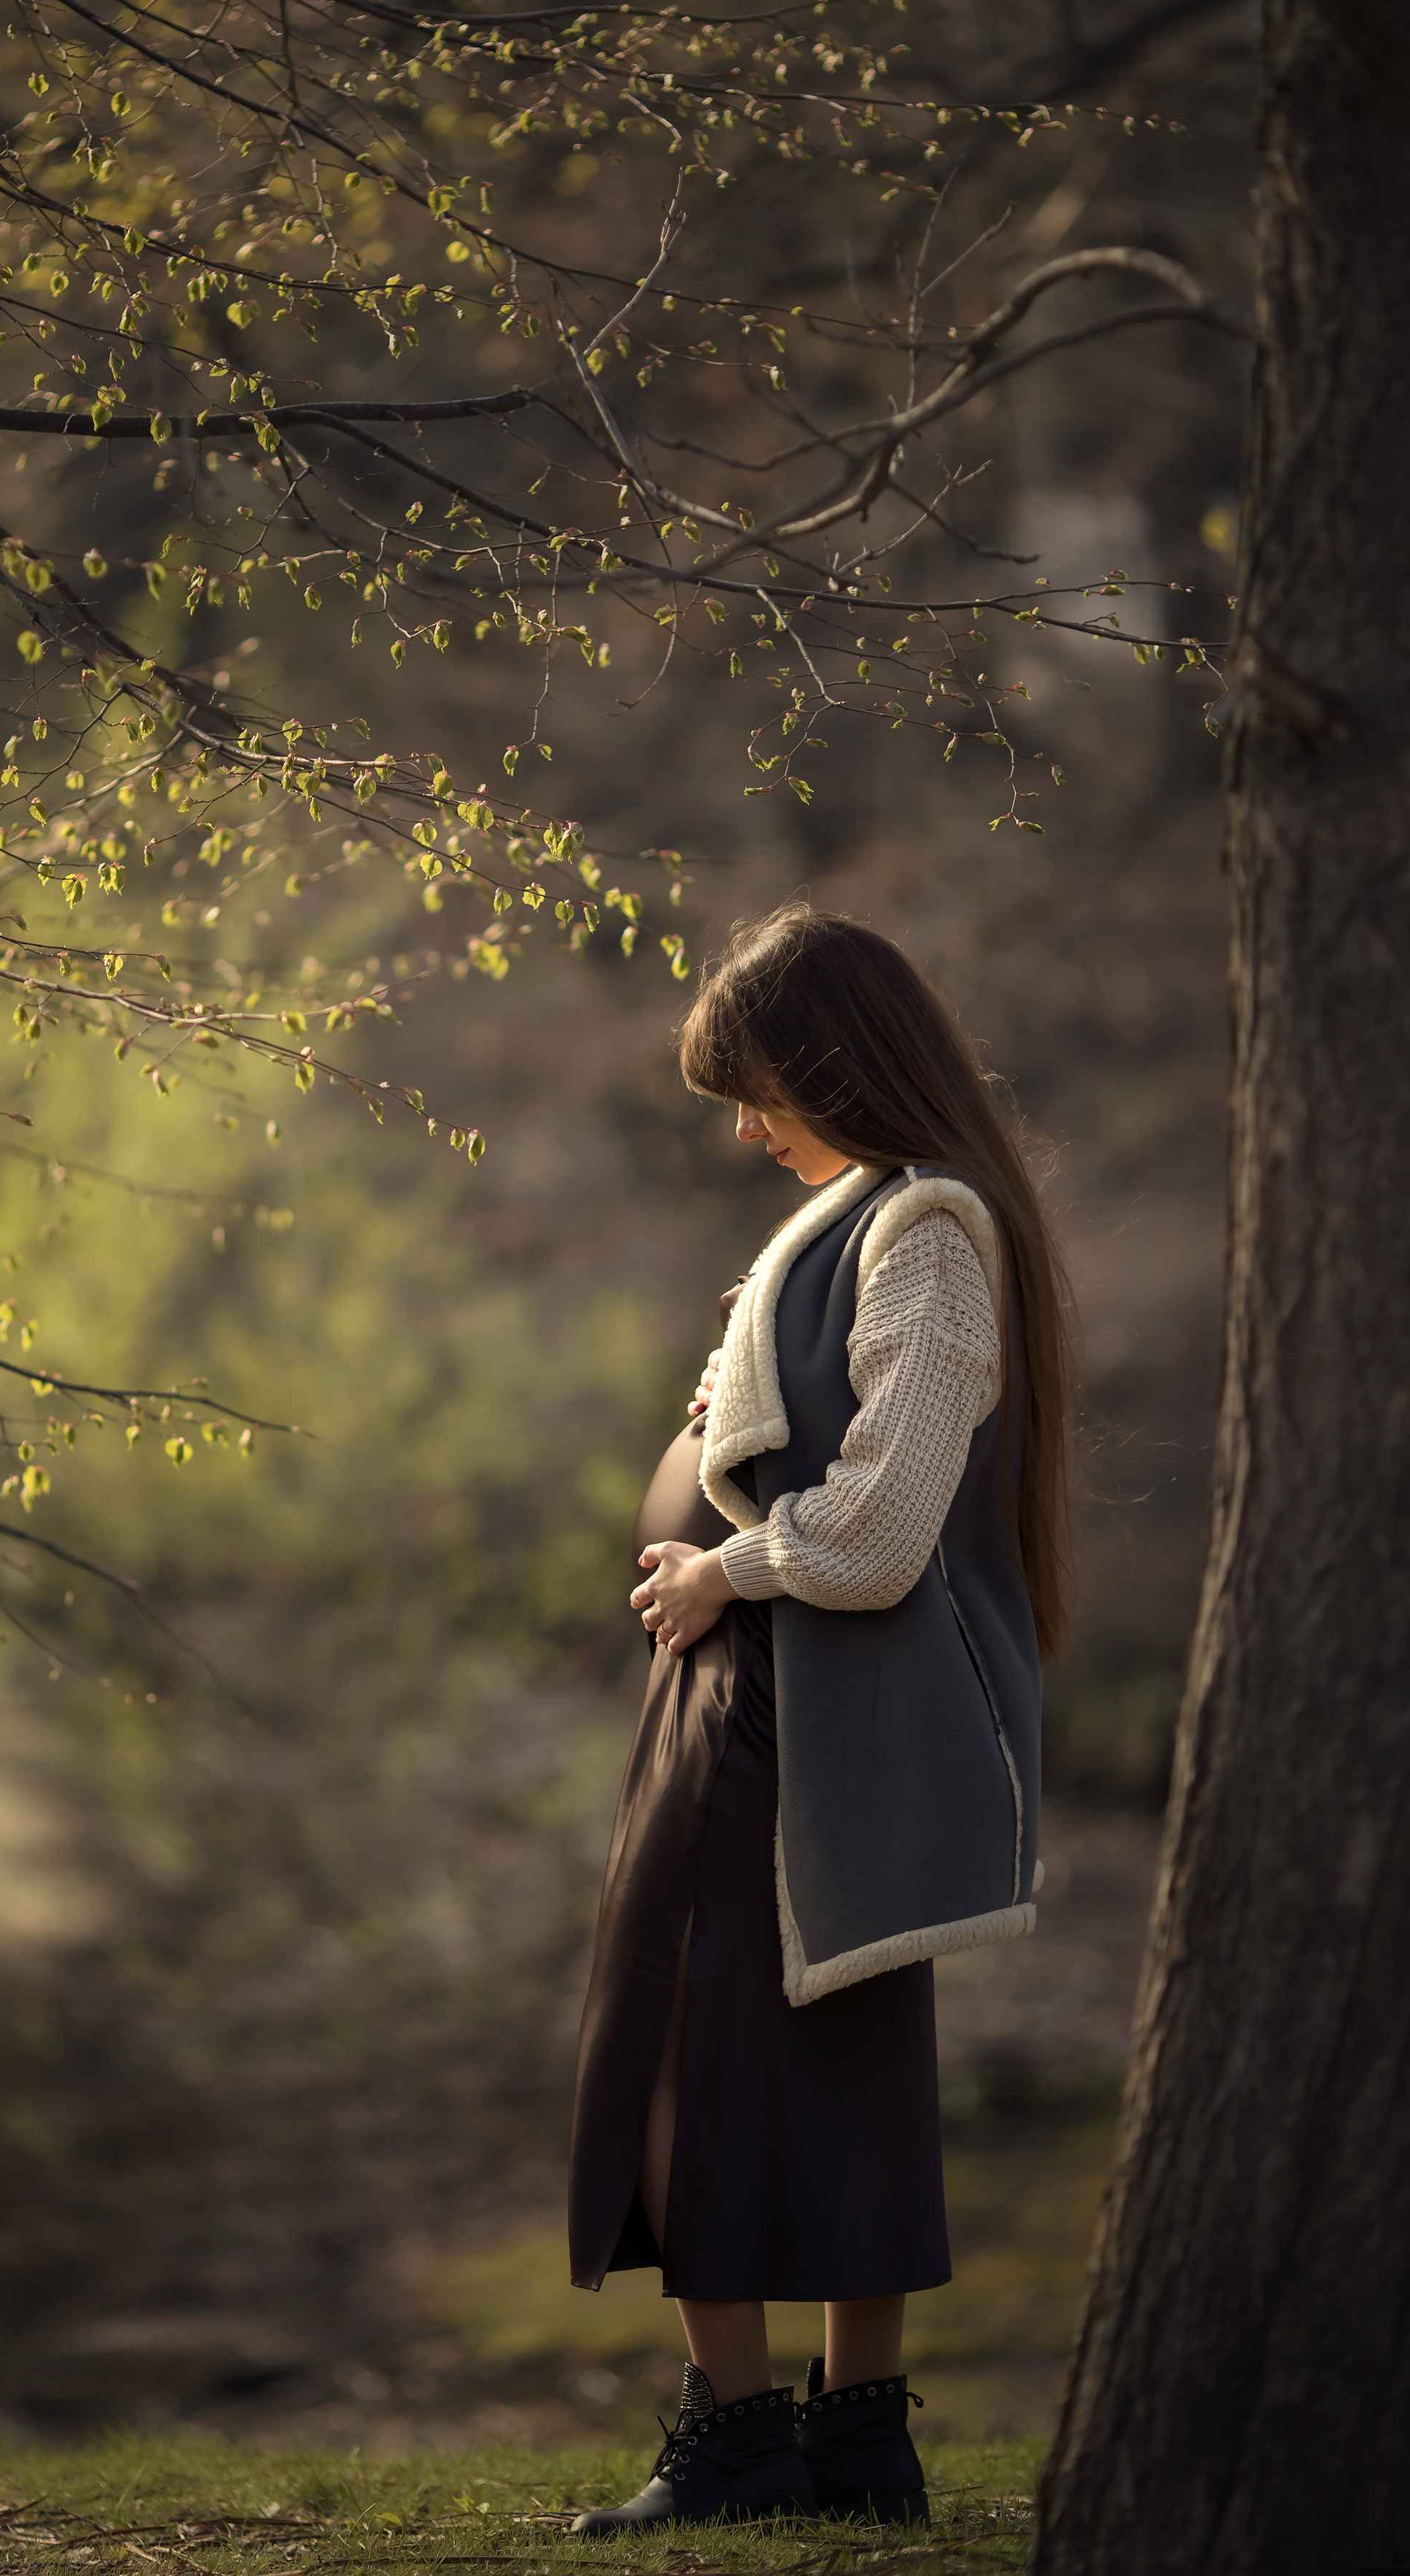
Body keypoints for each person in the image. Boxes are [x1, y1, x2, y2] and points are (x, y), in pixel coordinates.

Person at [566, 903, 1074, 2535]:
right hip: (762, 1695)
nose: (744, 1128)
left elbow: (876, 1522)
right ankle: (850, 2436)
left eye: (760, 1087)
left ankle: (748, 2433)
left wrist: (727, 1569)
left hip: (785, 1705)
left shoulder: (924, 1225)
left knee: (687, 2045)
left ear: (838, 1064)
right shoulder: (865, 1216)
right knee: (819, 2055)